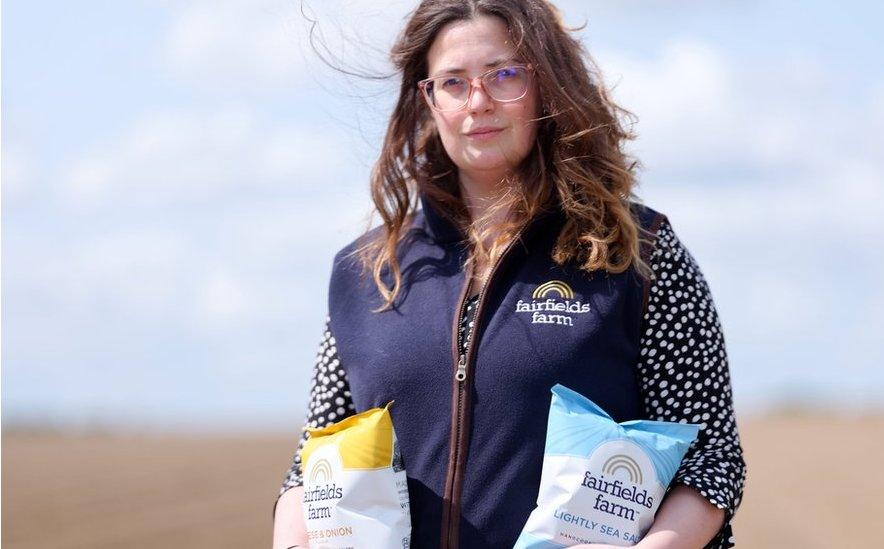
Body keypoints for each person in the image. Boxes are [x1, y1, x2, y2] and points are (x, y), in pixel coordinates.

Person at [272, 1, 746, 548]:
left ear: (548, 85)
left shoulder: (637, 254)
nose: (479, 102)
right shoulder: (367, 273)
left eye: (504, 75)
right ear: (427, 100)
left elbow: (710, 460)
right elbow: (311, 464)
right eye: (453, 82)